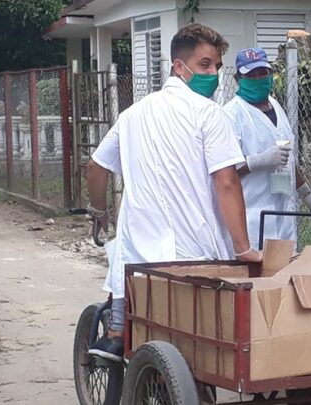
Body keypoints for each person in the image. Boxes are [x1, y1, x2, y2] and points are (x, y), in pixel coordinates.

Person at [85, 23, 261, 362]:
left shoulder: (132, 114)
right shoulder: (208, 114)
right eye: (205, 65)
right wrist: (243, 249)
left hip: (140, 260)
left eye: (217, 67)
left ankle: (117, 331)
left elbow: (96, 168)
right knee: (200, 349)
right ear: (179, 67)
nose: (213, 74)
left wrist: (100, 211)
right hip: (194, 257)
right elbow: (227, 182)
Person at [223, 47, 311, 249]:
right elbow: (225, 171)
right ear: (237, 78)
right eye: (251, 75)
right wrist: (259, 160)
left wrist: (306, 194)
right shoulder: (231, 115)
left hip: (284, 212)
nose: (258, 79)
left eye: (263, 73)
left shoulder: (276, 106)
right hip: (253, 215)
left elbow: (288, 157)